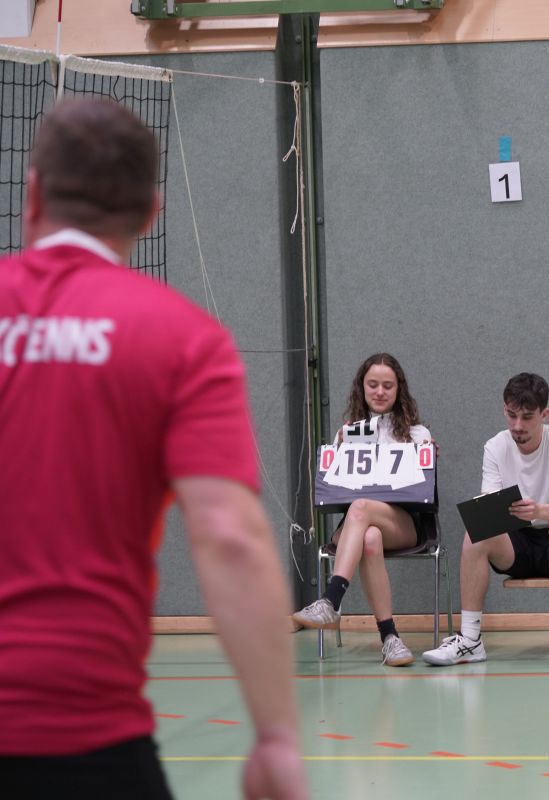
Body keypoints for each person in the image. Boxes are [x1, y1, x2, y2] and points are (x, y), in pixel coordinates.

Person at [0, 98, 307, 798]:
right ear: (150, 213)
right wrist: (276, 737)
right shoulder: (182, 338)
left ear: (33, 194)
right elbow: (230, 537)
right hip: (84, 743)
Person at [422, 372, 549, 670]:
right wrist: (491, 511)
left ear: (544, 414)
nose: (518, 426)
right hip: (520, 542)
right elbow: (489, 508)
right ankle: (470, 639)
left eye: (527, 417)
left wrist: (541, 511)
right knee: (476, 531)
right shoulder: (495, 446)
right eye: (511, 415)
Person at [292, 353, 432, 667]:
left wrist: (427, 456)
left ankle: (331, 600)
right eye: (373, 385)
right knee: (369, 537)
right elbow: (335, 487)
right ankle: (390, 638)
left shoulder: (417, 434)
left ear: (398, 390)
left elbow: (422, 490)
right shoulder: (347, 433)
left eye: (387, 386)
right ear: (362, 387)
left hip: (402, 523)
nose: (380, 392)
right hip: (359, 524)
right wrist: (340, 447)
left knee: (360, 509)